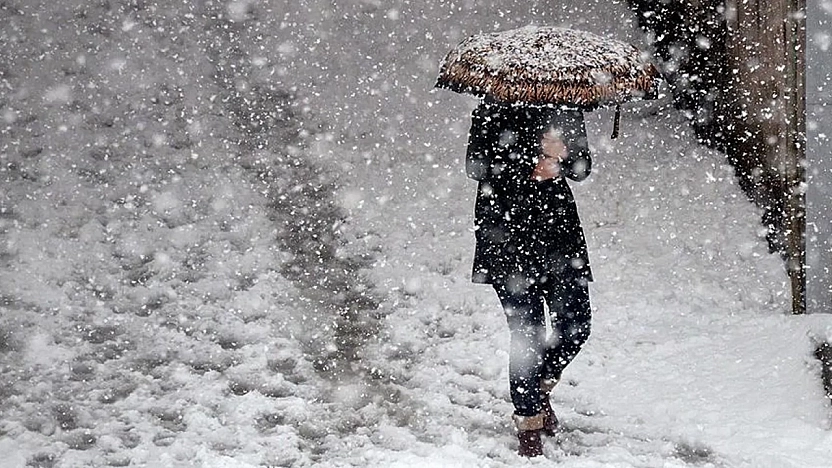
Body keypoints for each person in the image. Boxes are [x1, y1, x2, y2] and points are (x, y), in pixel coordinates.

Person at [465, 98, 593, 457]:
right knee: (527, 335)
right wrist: (532, 159)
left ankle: (535, 390)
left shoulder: (565, 107)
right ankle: (529, 428)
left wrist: (563, 157)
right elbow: (476, 166)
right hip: (506, 235)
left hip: (559, 236)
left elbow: (582, 168)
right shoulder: (492, 109)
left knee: (576, 324)